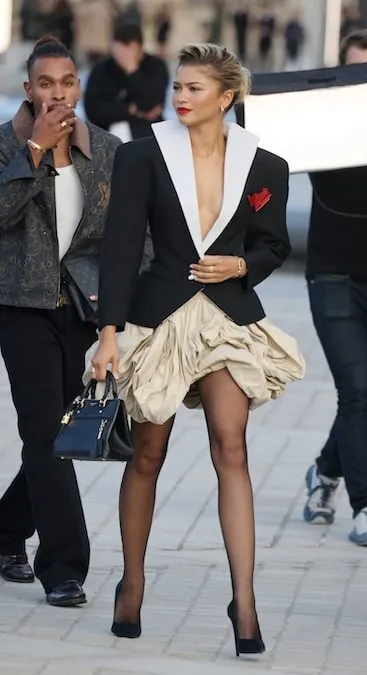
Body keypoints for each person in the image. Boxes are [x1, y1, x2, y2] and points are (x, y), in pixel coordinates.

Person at [91, 42, 306, 655]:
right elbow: (121, 249)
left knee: (230, 446)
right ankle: (131, 583)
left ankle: (245, 601)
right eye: (177, 87)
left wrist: (241, 262)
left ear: (227, 97)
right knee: (148, 455)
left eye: (193, 89)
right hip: (158, 315)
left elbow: (273, 247)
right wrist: (109, 333)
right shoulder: (142, 156)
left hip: (226, 321)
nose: (180, 97)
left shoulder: (266, 165)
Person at [0, 35, 124, 608]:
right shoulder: (5, 145)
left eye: (67, 82)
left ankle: (4, 532)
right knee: (46, 433)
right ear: (28, 89)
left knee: (55, 438)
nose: (57, 93)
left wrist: (114, 319)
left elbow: (126, 239)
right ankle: (65, 566)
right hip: (19, 307)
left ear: (79, 86)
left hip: (81, 310)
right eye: (45, 83)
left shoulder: (105, 150)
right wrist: (32, 154)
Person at [300, 29, 367, 548]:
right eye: (353, 71)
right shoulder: (320, 124)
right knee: (356, 393)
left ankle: (323, 471)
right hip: (334, 274)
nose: (363, 82)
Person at [83, 22, 170, 142]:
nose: (122, 55)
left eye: (128, 49)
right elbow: (93, 109)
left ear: (139, 48)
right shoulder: (102, 69)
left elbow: (151, 104)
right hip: (107, 133)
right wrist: (129, 110)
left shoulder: (156, 66)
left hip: (146, 134)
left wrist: (132, 70)